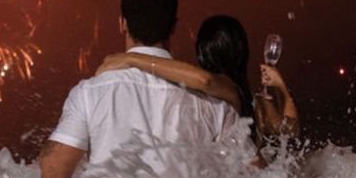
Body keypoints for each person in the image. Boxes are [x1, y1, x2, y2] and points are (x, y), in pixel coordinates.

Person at [39, 0, 252, 178]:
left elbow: (53, 173)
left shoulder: (91, 92)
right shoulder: (214, 103)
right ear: (173, 27)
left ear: (122, 23)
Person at [96, 15, 300, 146]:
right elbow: (291, 129)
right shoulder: (256, 104)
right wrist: (280, 87)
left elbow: (205, 80)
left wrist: (131, 57)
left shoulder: (213, 95)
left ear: (203, 52)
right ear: (241, 52)